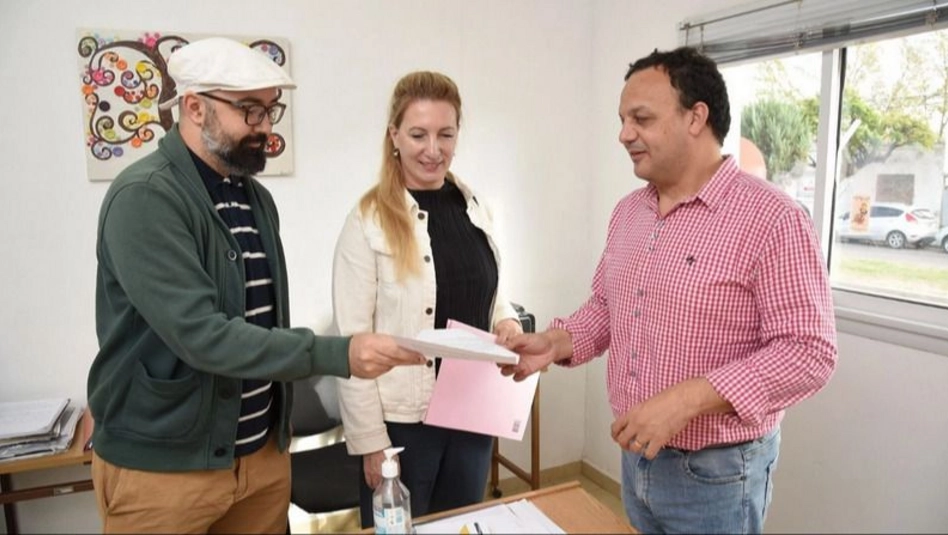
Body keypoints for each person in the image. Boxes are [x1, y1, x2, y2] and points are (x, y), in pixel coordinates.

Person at [88, 37, 425, 534]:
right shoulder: (146, 197)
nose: (265, 126)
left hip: (262, 458)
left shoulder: (255, 199)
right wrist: (341, 353)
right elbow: (202, 336)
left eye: (271, 110)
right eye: (249, 110)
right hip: (166, 471)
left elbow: (260, 323)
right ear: (194, 108)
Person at [501, 46, 838, 534]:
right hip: (636, 458)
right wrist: (555, 342)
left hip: (719, 473)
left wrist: (685, 401)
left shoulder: (772, 218)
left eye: (641, 119)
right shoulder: (629, 212)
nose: (624, 134)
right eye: (622, 120)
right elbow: (607, 308)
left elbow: (809, 352)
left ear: (695, 117)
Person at [332, 71, 523, 527]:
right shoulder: (368, 220)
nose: (433, 149)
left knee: (460, 526)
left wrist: (507, 321)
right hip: (402, 425)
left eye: (446, 134)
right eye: (418, 134)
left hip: (473, 411)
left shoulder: (473, 206)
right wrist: (371, 442)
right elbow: (351, 343)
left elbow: (490, 292)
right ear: (394, 136)